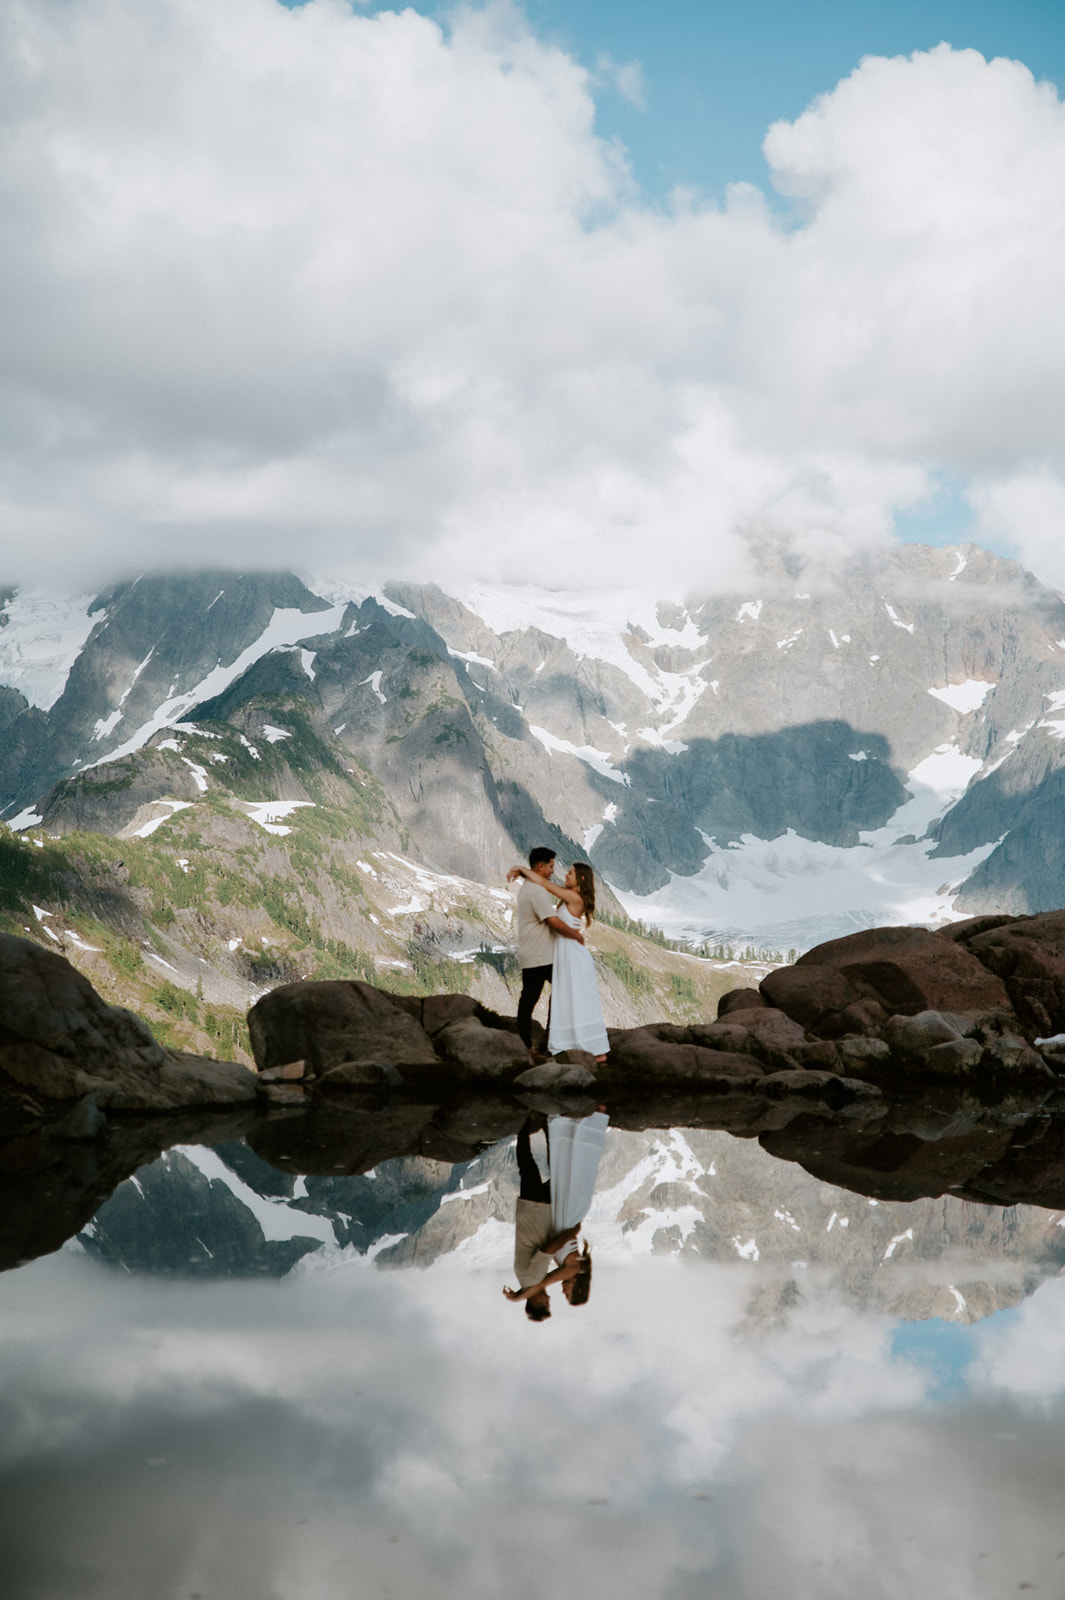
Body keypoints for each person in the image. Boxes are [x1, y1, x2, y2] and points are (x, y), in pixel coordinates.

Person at [503, 1112, 607, 1317]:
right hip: (555, 1216)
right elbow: (541, 1281)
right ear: (577, 1288)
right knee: (551, 1168)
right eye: (567, 1294)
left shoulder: (568, 1271)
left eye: (548, 1302)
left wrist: (521, 1295)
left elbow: (540, 1282)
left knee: (559, 1169)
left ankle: (550, 1125)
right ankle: (540, 1124)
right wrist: (517, 1297)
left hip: (552, 1215)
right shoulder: (570, 1271)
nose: (559, 1293)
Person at [508, 860, 609, 1062]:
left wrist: (522, 870)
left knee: (575, 1000)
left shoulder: (574, 897)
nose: (566, 875)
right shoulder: (571, 896)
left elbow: (545, 884)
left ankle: (596, 1053)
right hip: (567, 953)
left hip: (572, 955)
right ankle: (588, 1050)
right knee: (570, 1000)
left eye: (570, 873)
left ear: (581, 878)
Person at [510, 846, 586, 1051]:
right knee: (529, 1000)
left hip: (542, 954)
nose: (554, 871)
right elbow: (553, 922)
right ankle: (529, 1044)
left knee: (555, 990)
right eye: (551, 866)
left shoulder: (533, 887)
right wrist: (576, 935)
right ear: (541, 867)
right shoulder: (536, 891)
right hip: (537, 955)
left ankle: (547, 1036)